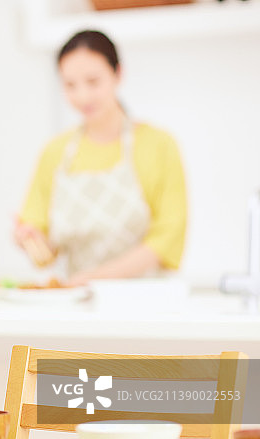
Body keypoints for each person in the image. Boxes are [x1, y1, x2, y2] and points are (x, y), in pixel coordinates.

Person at [14, 30, 187, 287]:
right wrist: (29, 240)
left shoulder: (158, 145)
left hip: (147, 300)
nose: (82, 96)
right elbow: (46, 255)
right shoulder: (55, 152)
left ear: (118, 74)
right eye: (70, 85)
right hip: (78, 301)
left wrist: (95, 279)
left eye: (93, 82)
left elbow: (167, 239)